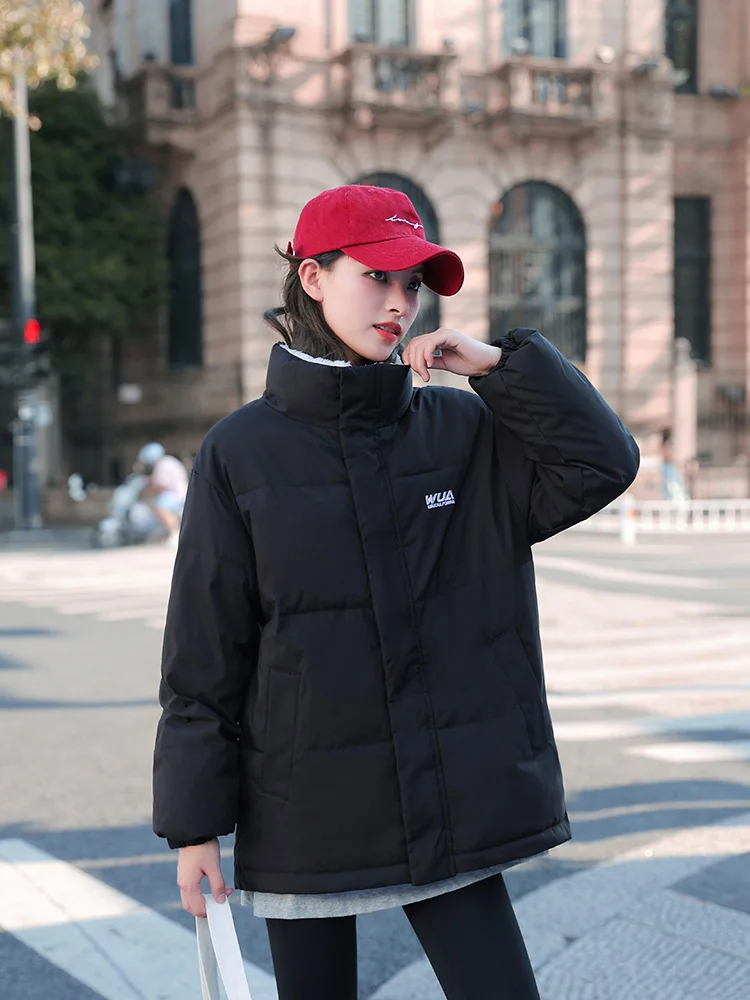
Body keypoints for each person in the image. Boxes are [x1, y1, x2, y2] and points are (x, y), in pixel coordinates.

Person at [153, 184, 640, 999]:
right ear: (313, 278)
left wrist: (500, 367)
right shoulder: (241, 452)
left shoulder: (461, 429)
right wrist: (194, 827)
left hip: (447, 805)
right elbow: (206, 649)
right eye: (376, 276)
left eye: (412, 283)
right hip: (306, 812)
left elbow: (602, 464)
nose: (400, 303)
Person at [136, 442, 188, 544]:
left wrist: (151, 484)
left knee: (161, 508)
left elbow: (163, 484)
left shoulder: (163, 464)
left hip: (176, 494)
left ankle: (175, 533)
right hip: (178, 493)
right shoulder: (168, 461)